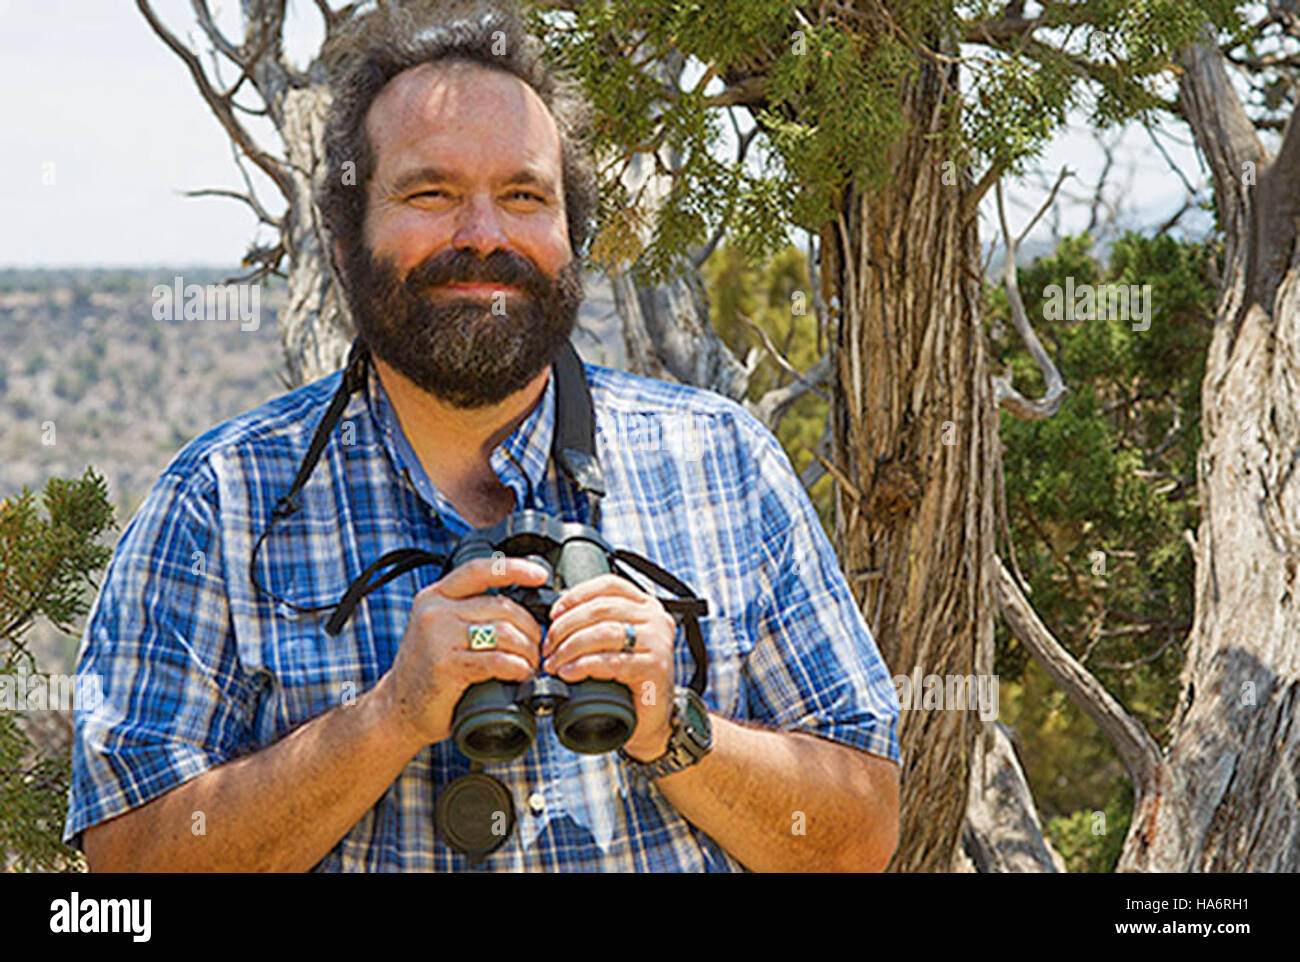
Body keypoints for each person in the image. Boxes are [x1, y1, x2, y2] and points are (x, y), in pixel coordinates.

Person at [65, 0, 900, 872]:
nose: (483, 236)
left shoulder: (724, 465)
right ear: (346, 243)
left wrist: (672, 725)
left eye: (524, 196)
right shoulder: (223, 500)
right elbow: (132, 865)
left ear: (571, 235)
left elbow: (860, 837)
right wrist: (387, 719)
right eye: (431, 193)